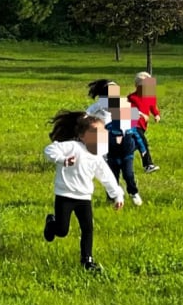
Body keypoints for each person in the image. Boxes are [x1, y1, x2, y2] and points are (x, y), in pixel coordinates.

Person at [43, 110, 124, 271]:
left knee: (88, 229)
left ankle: (87, 260)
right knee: (62, 230)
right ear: (82, 135)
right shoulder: (72, 147)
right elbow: (49, 150)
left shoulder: (97, 157)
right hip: (65, 196)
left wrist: (117, 195)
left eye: (102, 132)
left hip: (84, 198)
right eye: (95, 132)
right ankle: (52, 223)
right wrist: (63, 159)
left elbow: (107, 177)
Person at [86, 79, 146, 206]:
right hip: (106, 144)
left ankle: (133, 192)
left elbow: (130, 112)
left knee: (128, 174)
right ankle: (112, 197)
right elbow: (86, 116)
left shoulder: (120, 103)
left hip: (124, 144)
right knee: (110, 174)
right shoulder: (98, 106)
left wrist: (141, 114)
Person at [127, 72, 161, 173]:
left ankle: (113, 156)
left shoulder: (150, 97)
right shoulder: (132, 98)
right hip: (134, 125)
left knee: (133, 145)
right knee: (143, 143)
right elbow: (129, 110)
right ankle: (148, 165)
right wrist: (141, 114)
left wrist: (156, 115)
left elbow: (153, 107)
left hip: (142, 126)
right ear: (137, 86)